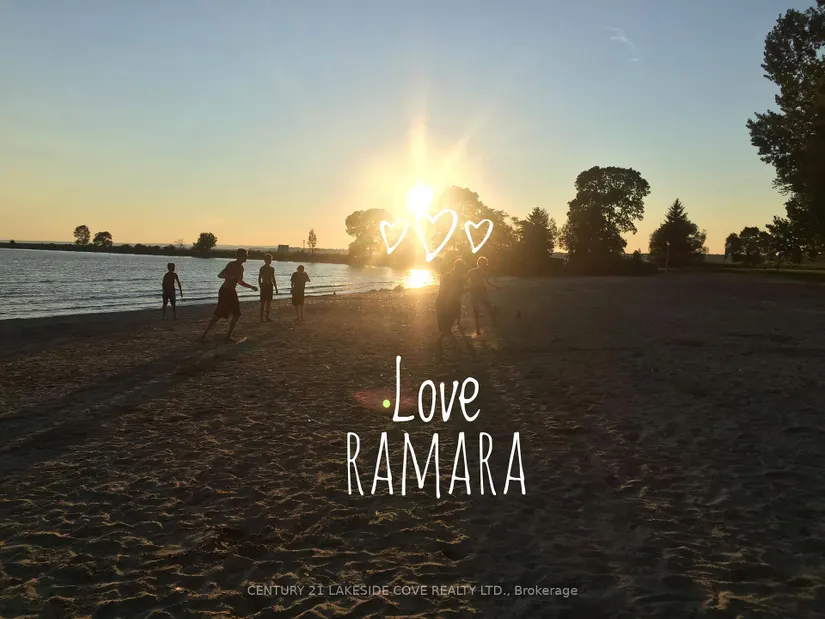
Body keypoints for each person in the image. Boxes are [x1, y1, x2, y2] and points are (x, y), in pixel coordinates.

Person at [199, 248, 258, 343]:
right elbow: (220, 275)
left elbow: (240, 282)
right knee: (218, 315)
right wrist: (228, 276)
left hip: (232, 292)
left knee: (237, 315)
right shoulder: (231, 264)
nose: (247, 257)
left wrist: (251, 287)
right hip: (224, 291)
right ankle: (203, 335)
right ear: (240, 256)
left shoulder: (241, 268)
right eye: (245, 255)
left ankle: (228, 336)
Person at [436, 258, 468, 348]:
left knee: (445, 325)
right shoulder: (459, 279)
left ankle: (441, 339)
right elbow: (455, 292)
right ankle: (448, 342)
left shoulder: (445, 276)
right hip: (450, 303)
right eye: (461, 269)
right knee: (447, 326)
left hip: (442, 301)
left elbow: (442, 290)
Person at [466, 256, 499, 336]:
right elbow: (465, 280)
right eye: (483, 263)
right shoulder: (473, 271)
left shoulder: (478, 271)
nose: (484, 265)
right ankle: (479, 327)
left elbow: (487, 282)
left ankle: (493, 323)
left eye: (484, 263)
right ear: (479, 263)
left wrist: (495, 287)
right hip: (476, 290)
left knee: (486, 306)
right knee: (478, 309)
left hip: (479, 290)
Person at [258, 253, 278, 322]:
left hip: (270, 286)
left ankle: (267, 317)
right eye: (268, 260)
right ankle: (261, 318)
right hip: (264, 286)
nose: (270, 261)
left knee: (268, 303)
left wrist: (276, 288)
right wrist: (260, 286)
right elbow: (259, 278)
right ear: (265, 260)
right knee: (263, 303)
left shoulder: (272, 269)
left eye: (270, 260)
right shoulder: (262, 268)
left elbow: (273, 279)